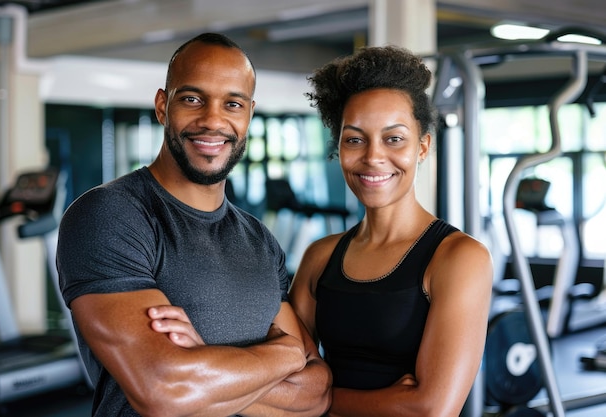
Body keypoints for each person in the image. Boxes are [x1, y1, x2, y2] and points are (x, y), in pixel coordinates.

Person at [56, 32, 331, 417]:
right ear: (162, 106)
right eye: (192, 99)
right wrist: (285, 355)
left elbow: (315, 395)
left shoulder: (260, 241)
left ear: (249, 115)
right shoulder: (111, 215)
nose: (212, 120)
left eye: (232, 104)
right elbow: (164, 390)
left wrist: (201, 358)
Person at [286, 45, 493, 416]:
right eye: (354, 139)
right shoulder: (320, 256)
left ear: (423, 147)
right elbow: (280, 372)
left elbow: (430, 409)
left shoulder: (458, 258)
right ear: (339, 149)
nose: (373, 156)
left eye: (393, 138)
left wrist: (317, 399)